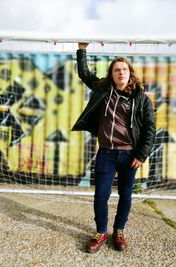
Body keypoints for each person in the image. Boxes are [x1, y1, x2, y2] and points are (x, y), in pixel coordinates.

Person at [72, 42, 156, 252]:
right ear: (112, 74)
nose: (121, 72)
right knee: (101, 194)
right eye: (117, 70)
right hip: (106, 153)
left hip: (130, 155)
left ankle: (119, 231)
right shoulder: (103, 90)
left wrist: (142, 154)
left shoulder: (141, 99)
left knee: (126, 195)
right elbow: (84, 74)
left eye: (124, 69)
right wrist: (82, 49)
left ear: (130, 73)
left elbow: (149, 129)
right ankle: (101, 232)